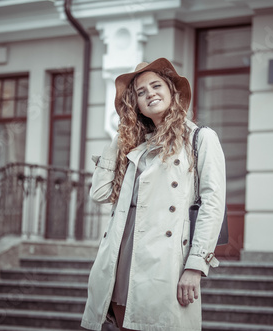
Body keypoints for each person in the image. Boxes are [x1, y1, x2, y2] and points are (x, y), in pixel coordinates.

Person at [81, 58, 226, 331]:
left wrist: (195, 267)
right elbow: (99, 193)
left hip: (167, 260)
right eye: (141, 92)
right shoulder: (136, 146)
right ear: (135, 104)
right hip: (124, 251)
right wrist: (121, 134)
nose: (150, 94)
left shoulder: (200, 138)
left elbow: (213, 204)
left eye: (156, 86)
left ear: (172, 91)